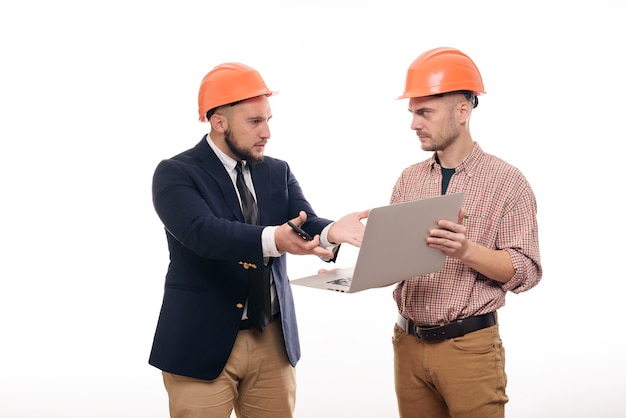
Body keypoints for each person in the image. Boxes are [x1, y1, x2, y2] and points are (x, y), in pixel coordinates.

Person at [148, 62, 368, 418]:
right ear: (218, 122)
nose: (266, 132)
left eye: (268, 120)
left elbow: (303, 221)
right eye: (254, 122)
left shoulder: (276, 170)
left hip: (271, 340)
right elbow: (203, 233)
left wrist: (330, 231)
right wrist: (275, 239)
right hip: (201, 341)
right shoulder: (176, 173)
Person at [390, 47, 542, 418]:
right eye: (412, 113)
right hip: (407, 346)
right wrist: (357, 269)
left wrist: (466, 250)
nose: (414, 124)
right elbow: (394, 264)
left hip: (470, 350)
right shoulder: (409, 179)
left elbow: (527, 272)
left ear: (462, 111)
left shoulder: (508, 181)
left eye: (424, 112)